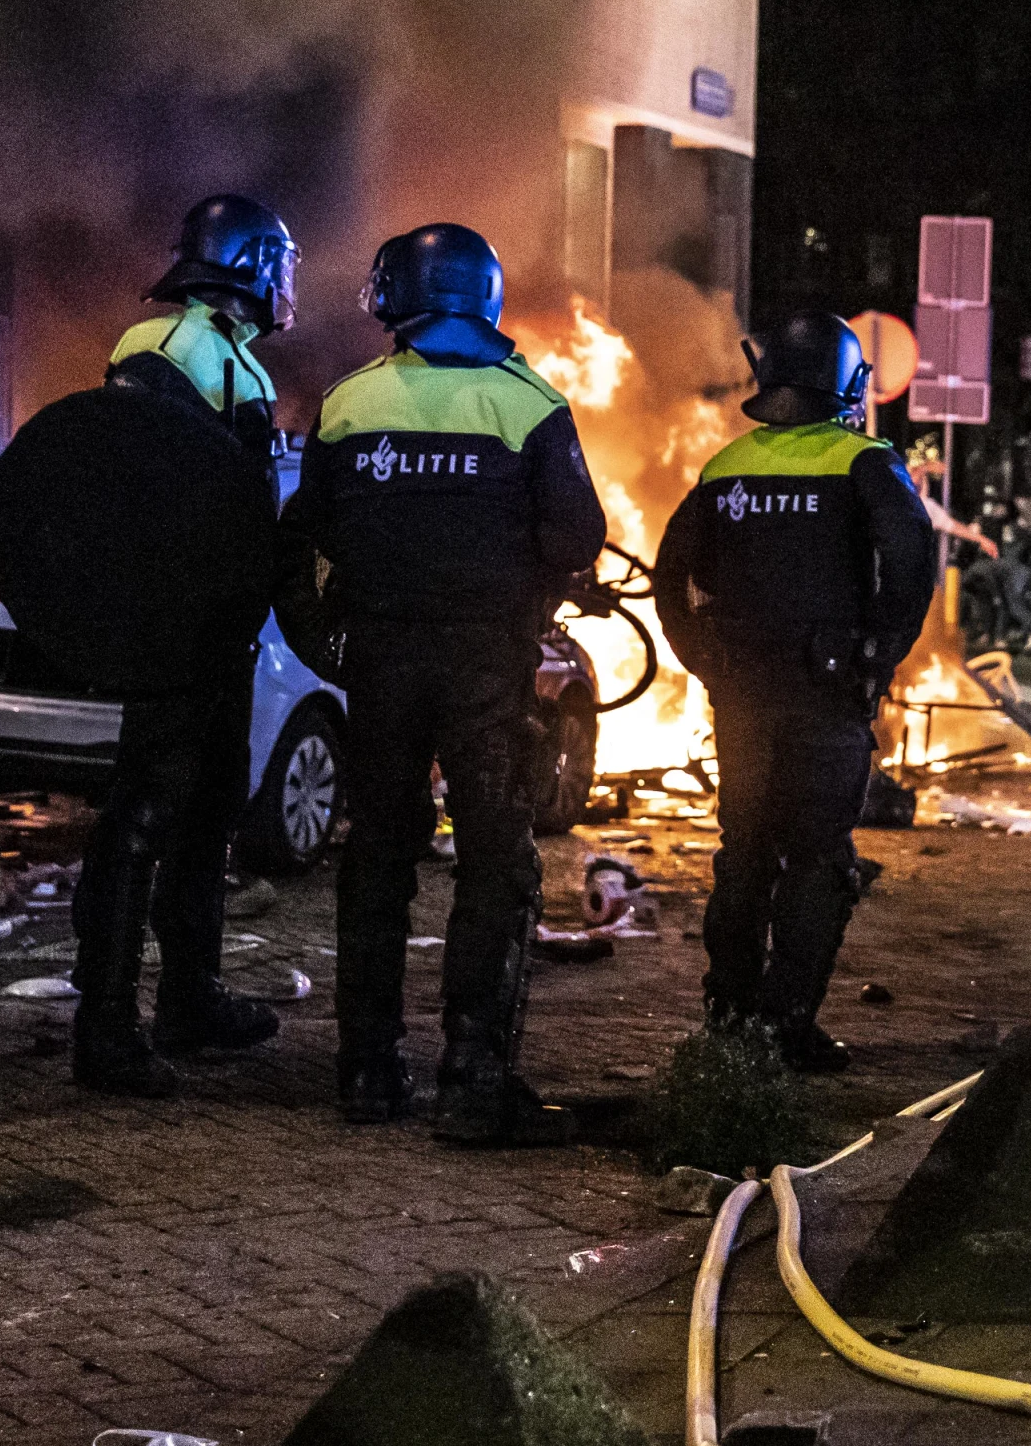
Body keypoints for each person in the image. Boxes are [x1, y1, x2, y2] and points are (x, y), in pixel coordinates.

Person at [282, 223, 605, 1143]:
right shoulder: (529, 403)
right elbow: (577, 538)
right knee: (496, 859)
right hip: (485, 668)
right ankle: (472, 1072)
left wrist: (330, 647)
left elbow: (307, 539)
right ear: (484, 296)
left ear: (397, 296)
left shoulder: (348, 405)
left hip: (380, 664)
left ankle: (368, 1071)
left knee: (379, 856)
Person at [659, 312, 939, 1071]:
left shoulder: (725, 468)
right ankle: (785, 1030)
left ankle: (728, 1023)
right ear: (846, 380)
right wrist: (880, 655)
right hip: (826, 694)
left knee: (744, 853)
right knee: (818, 860)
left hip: (742, 697)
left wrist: (704, 662)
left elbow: (669, 581)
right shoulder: (865, 462)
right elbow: (914, 562)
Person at [67, 193, 299, 1096]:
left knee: (210, 810)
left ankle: (191, 996)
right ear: (243, 264)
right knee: (146, 814)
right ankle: (106, 1025)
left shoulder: (235, 356)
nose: (287, 285)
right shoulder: (167, 348)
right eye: (276, 264)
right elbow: (138, 485)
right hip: (174, 627)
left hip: (221, 625)